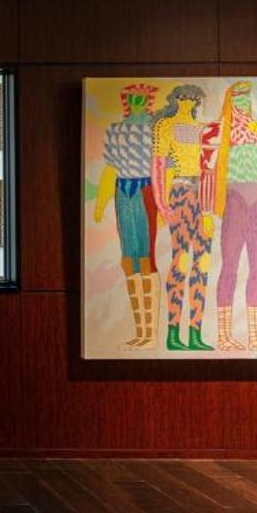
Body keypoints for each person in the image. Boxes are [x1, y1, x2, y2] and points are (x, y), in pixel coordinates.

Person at [92, 83, 161, 347]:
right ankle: (140, 332)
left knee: (146, 259)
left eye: (142, 98)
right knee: (129, 261)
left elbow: (162, 167)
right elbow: (110, 168)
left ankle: (151, 334)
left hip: (146, 189)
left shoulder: (155, 129)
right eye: (133, 97)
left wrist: (163, 202)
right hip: (123, 191)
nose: (137, 102)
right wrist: (100, 203)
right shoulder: (116, 130)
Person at [151, 83, 218, 350]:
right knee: (181, 259)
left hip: (203, 195)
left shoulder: (205, 128)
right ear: (175, 99)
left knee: (203, 262)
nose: (187, 101)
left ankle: (194, 334)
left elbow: (211, 170)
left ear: (197, 101)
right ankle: (172, 334)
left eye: (192, 97)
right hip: (180, 192)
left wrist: (209, 209)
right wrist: (161, 203)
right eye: (182, 96)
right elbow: (157, 166)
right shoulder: (165, 126)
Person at [208, 81, 257, 350]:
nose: (243, 101)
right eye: (238, 96)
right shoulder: (219, 131)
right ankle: (224, 336)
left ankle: (255, 336)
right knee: (229, 268)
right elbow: (208, 170)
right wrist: (209, 209)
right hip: (233, 202)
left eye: (247, 96)